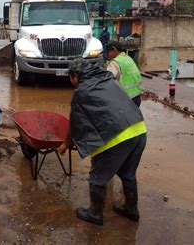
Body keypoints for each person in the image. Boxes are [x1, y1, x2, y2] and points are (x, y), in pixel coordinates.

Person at [58, 58, 147, 226]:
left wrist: (65, 144)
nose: (71, 82)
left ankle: (95, 214)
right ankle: (131, 209)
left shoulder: (82, 92)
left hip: (118, 138)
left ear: (75, 76)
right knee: (128, 173)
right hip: (139, 130)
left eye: (70, 78)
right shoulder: (107, 78)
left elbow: (74, 123)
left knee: (97, 177)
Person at [106, 41, 143, 107]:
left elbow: (107, 82)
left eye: (108, 52)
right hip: (137, 98)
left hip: (125, 100)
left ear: (114, 50)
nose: (107, 54)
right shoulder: (129, 59)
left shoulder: (115, 63)